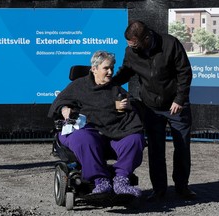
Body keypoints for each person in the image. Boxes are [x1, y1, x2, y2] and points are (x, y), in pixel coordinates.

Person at [112, 20, 196, 200]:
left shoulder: (170, 43)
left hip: (176, 106)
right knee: (156, 150)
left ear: (147, 38)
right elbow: (126, 72)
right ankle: (159, 190)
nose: (132, 48)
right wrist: (107, 83)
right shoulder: (131, 52)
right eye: (129, 45)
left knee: (182, 147)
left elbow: (185, 72)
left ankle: (182, 187)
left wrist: (180, 99)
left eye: (135, 45)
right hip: (151, 107)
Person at [48, 50, 146, 197]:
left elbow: (132, 102)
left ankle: (121, 180)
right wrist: (64, 109)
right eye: (106, 68)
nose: (110, 72)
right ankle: (101, 181)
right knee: (83, 138)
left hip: (112, 132)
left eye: (112, 68)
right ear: (94, 69)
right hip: (88, 130)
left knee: (135, 139)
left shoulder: (115, 88)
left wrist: (128, 105)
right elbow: (59, 103)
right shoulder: (79, 86)